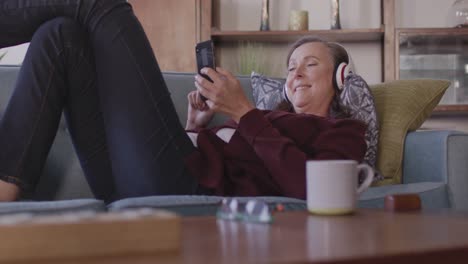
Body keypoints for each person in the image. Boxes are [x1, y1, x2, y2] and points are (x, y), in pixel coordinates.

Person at [0, 0, 367, 203]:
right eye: (290, 68)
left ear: (339, 77)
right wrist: (196, 126)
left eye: (310, 64)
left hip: (184, 189)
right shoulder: (265, 119)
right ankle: (6, 183)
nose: (296, 74)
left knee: (102, 5)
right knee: (60, 36)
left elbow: (314, 190)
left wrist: (244, 112)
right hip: (132, 180)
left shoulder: (345, 132)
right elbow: (214, 157)